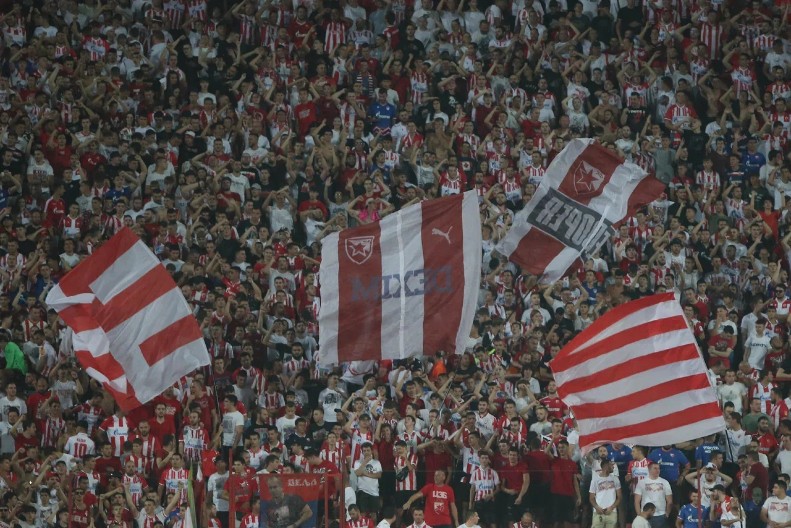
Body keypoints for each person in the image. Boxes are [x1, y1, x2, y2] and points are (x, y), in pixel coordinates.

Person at [634, 463, 673, 528]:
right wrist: (639, 515)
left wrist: (667, 514)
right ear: (649, 470)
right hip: (645, 515)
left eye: (658, 468)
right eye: (655, 468)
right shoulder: (642, 482)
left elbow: (670, 501)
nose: (657, 470)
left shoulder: (665, 482)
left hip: (661, 515)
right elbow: (636, 501)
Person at [590, 458, 621, 528]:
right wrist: (597, 507)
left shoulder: (615, 479)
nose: (613, 467)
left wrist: (612, 507)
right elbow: (591, 498)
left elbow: (619, 497)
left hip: (612, 512)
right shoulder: (595, 480)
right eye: (611, 465)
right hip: (598, 512)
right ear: (606, 466)